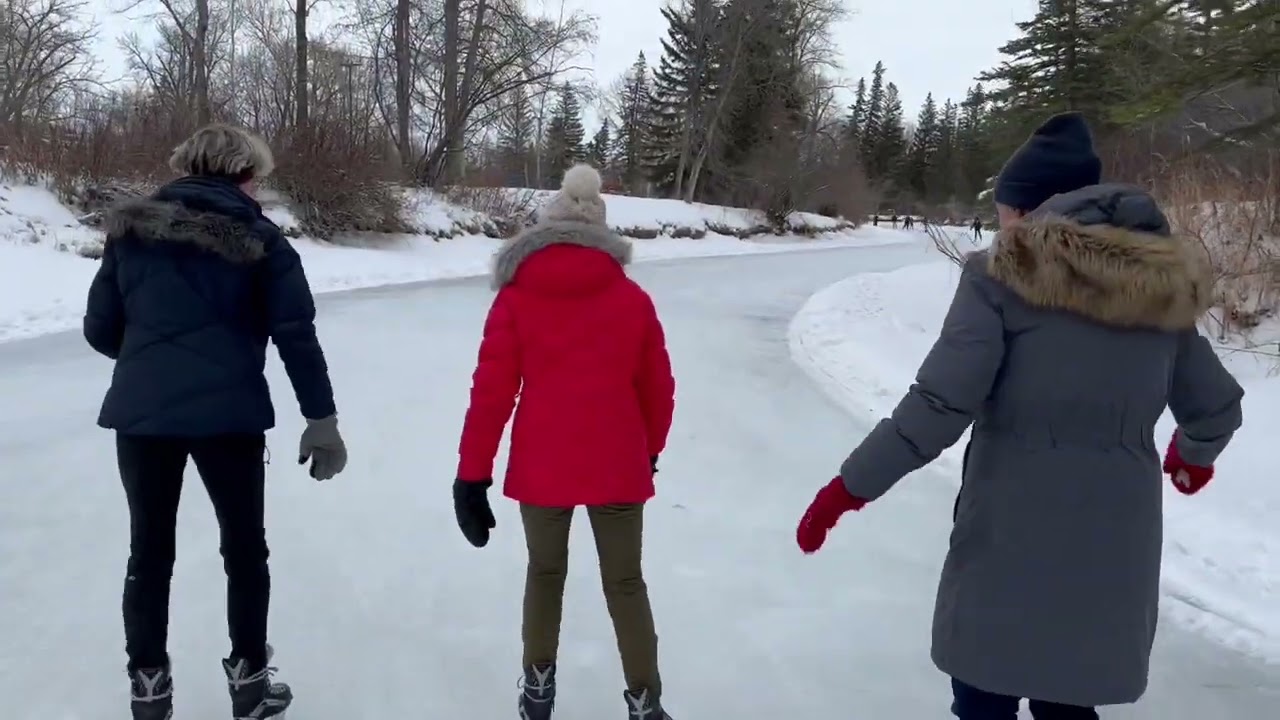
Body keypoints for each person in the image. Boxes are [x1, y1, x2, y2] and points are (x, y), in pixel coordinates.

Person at [794, 111, 1243, 719]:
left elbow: (939, 404)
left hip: (1010, 530)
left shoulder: (1001, 276)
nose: (1001, 222)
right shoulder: (1159, 287)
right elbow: (1215, 407)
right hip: (1117, 539)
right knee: (1069, 703)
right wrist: (1191, 458)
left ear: (1029, 209)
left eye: (1005, 209)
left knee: (985, 696)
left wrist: (848, 488)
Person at [84, 123, 349, 720]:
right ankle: (249, 685)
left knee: (149, 552)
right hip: (229, 417)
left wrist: (151, 359)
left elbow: (101, 329)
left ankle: (148, 689)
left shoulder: (130, 234)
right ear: (245, 175)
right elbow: (296, 335)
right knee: (245, 550)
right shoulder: (262, 241)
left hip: (143, 417)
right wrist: (321, 418)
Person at [452, 163, 677, 720]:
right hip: (618, 462)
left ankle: (537, 690)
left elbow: (491, 393)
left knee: (545, 573)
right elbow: (658, 387)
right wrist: (649, 450)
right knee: (626, 582)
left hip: (542, 464)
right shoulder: (632, 299)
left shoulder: (516, 298)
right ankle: (645, 702)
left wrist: (472, 475)